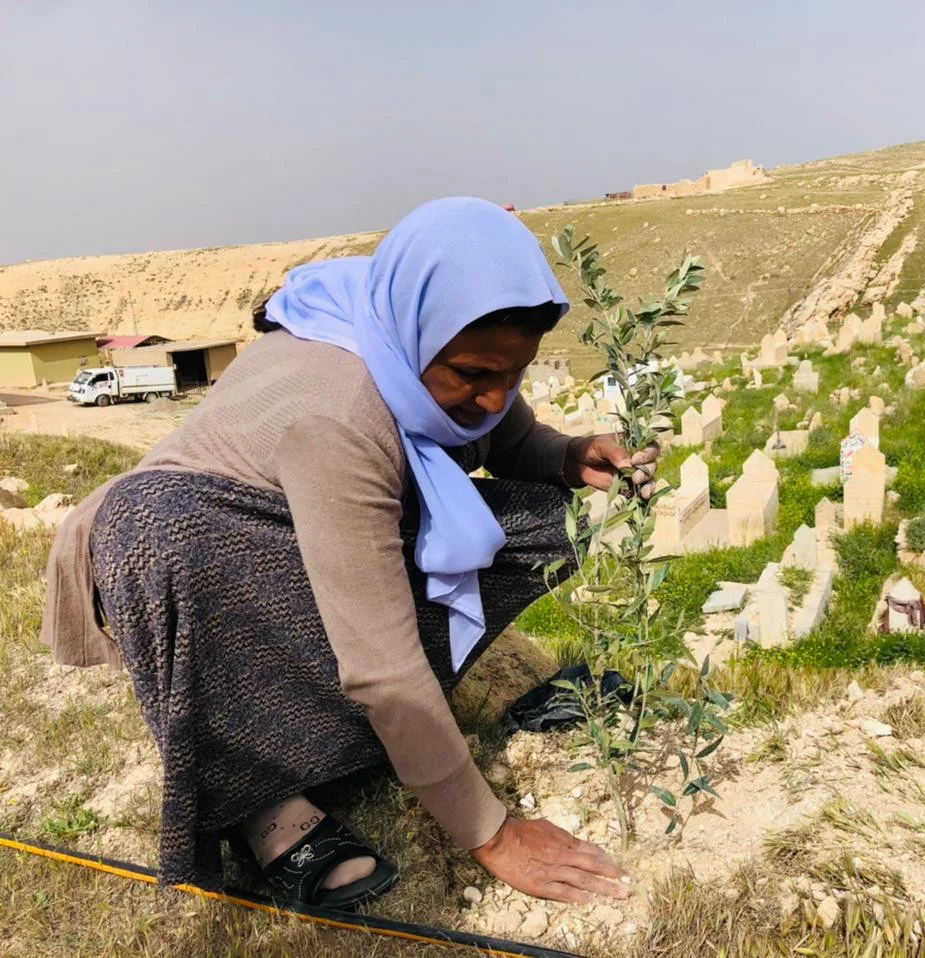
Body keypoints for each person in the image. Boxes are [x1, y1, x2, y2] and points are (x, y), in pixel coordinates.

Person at [40, 197, 657, 910]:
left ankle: (371, 734)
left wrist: (569, 453)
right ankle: (258, 792)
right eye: (471, 376)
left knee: (547, 526)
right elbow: (383, 667)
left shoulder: (424, 329)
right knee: (192, 552)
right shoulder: (339, 416)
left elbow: (509, 438)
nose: (491, 399)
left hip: (304, 514)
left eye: (511, 375)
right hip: (193, 537)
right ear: (415, 334)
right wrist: (493, 835)